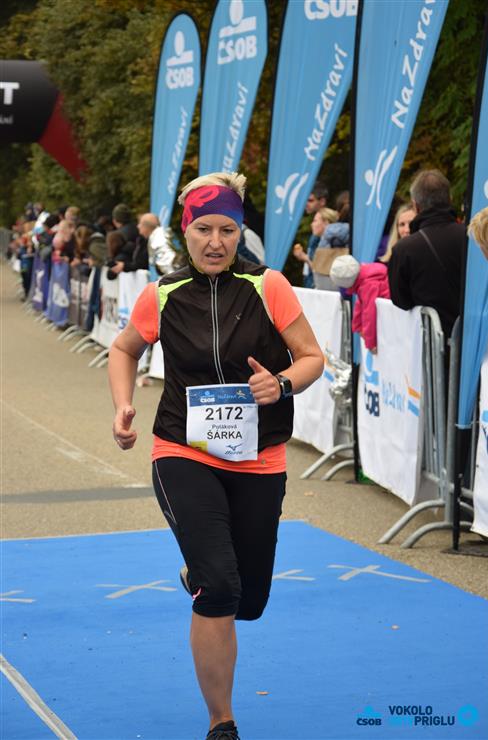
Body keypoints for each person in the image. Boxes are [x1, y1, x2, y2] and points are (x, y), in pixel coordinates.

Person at [108, 171, 324, 740]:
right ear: (186, 232)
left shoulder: (268, 286)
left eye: (227, 229)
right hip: (182, 451)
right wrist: (123, 406)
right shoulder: (162, 294)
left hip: (259, 459)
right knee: (220, 589)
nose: (215, 241)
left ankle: (198, 572)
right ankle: (221, 722)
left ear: (240, 232)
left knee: (248, 601)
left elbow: (312, 357)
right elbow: (123, 349)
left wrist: (281, 382)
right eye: (203, 229)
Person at [388, 169, 465, 338]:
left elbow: (401, 301)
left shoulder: (404, 249)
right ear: (450, 199)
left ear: (415, 205)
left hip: (430, 342)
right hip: (476, 341)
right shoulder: (471, 237)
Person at [330, 254, 390, 352]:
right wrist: (357, 326)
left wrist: (371, 344)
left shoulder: (368, 286)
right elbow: (361, 302)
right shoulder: (365, 276)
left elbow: (369, 312)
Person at [292, 207, 338, 286]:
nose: (312, 224)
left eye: (315, 221)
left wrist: (305, 258)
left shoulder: (333, 244)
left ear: (326, 223)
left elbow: (321, 272)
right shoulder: (318, 240)